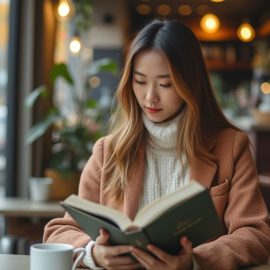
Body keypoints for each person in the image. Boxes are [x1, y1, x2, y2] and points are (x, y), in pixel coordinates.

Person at [43, 19, 270, 270]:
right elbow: (60, 231)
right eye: (140, 81)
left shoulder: (230, 147)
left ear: (190, 83)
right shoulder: (109, 151)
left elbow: (255, 233)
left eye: (165, 84)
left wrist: (195, 261)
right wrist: (93, 254)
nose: (150, 97)